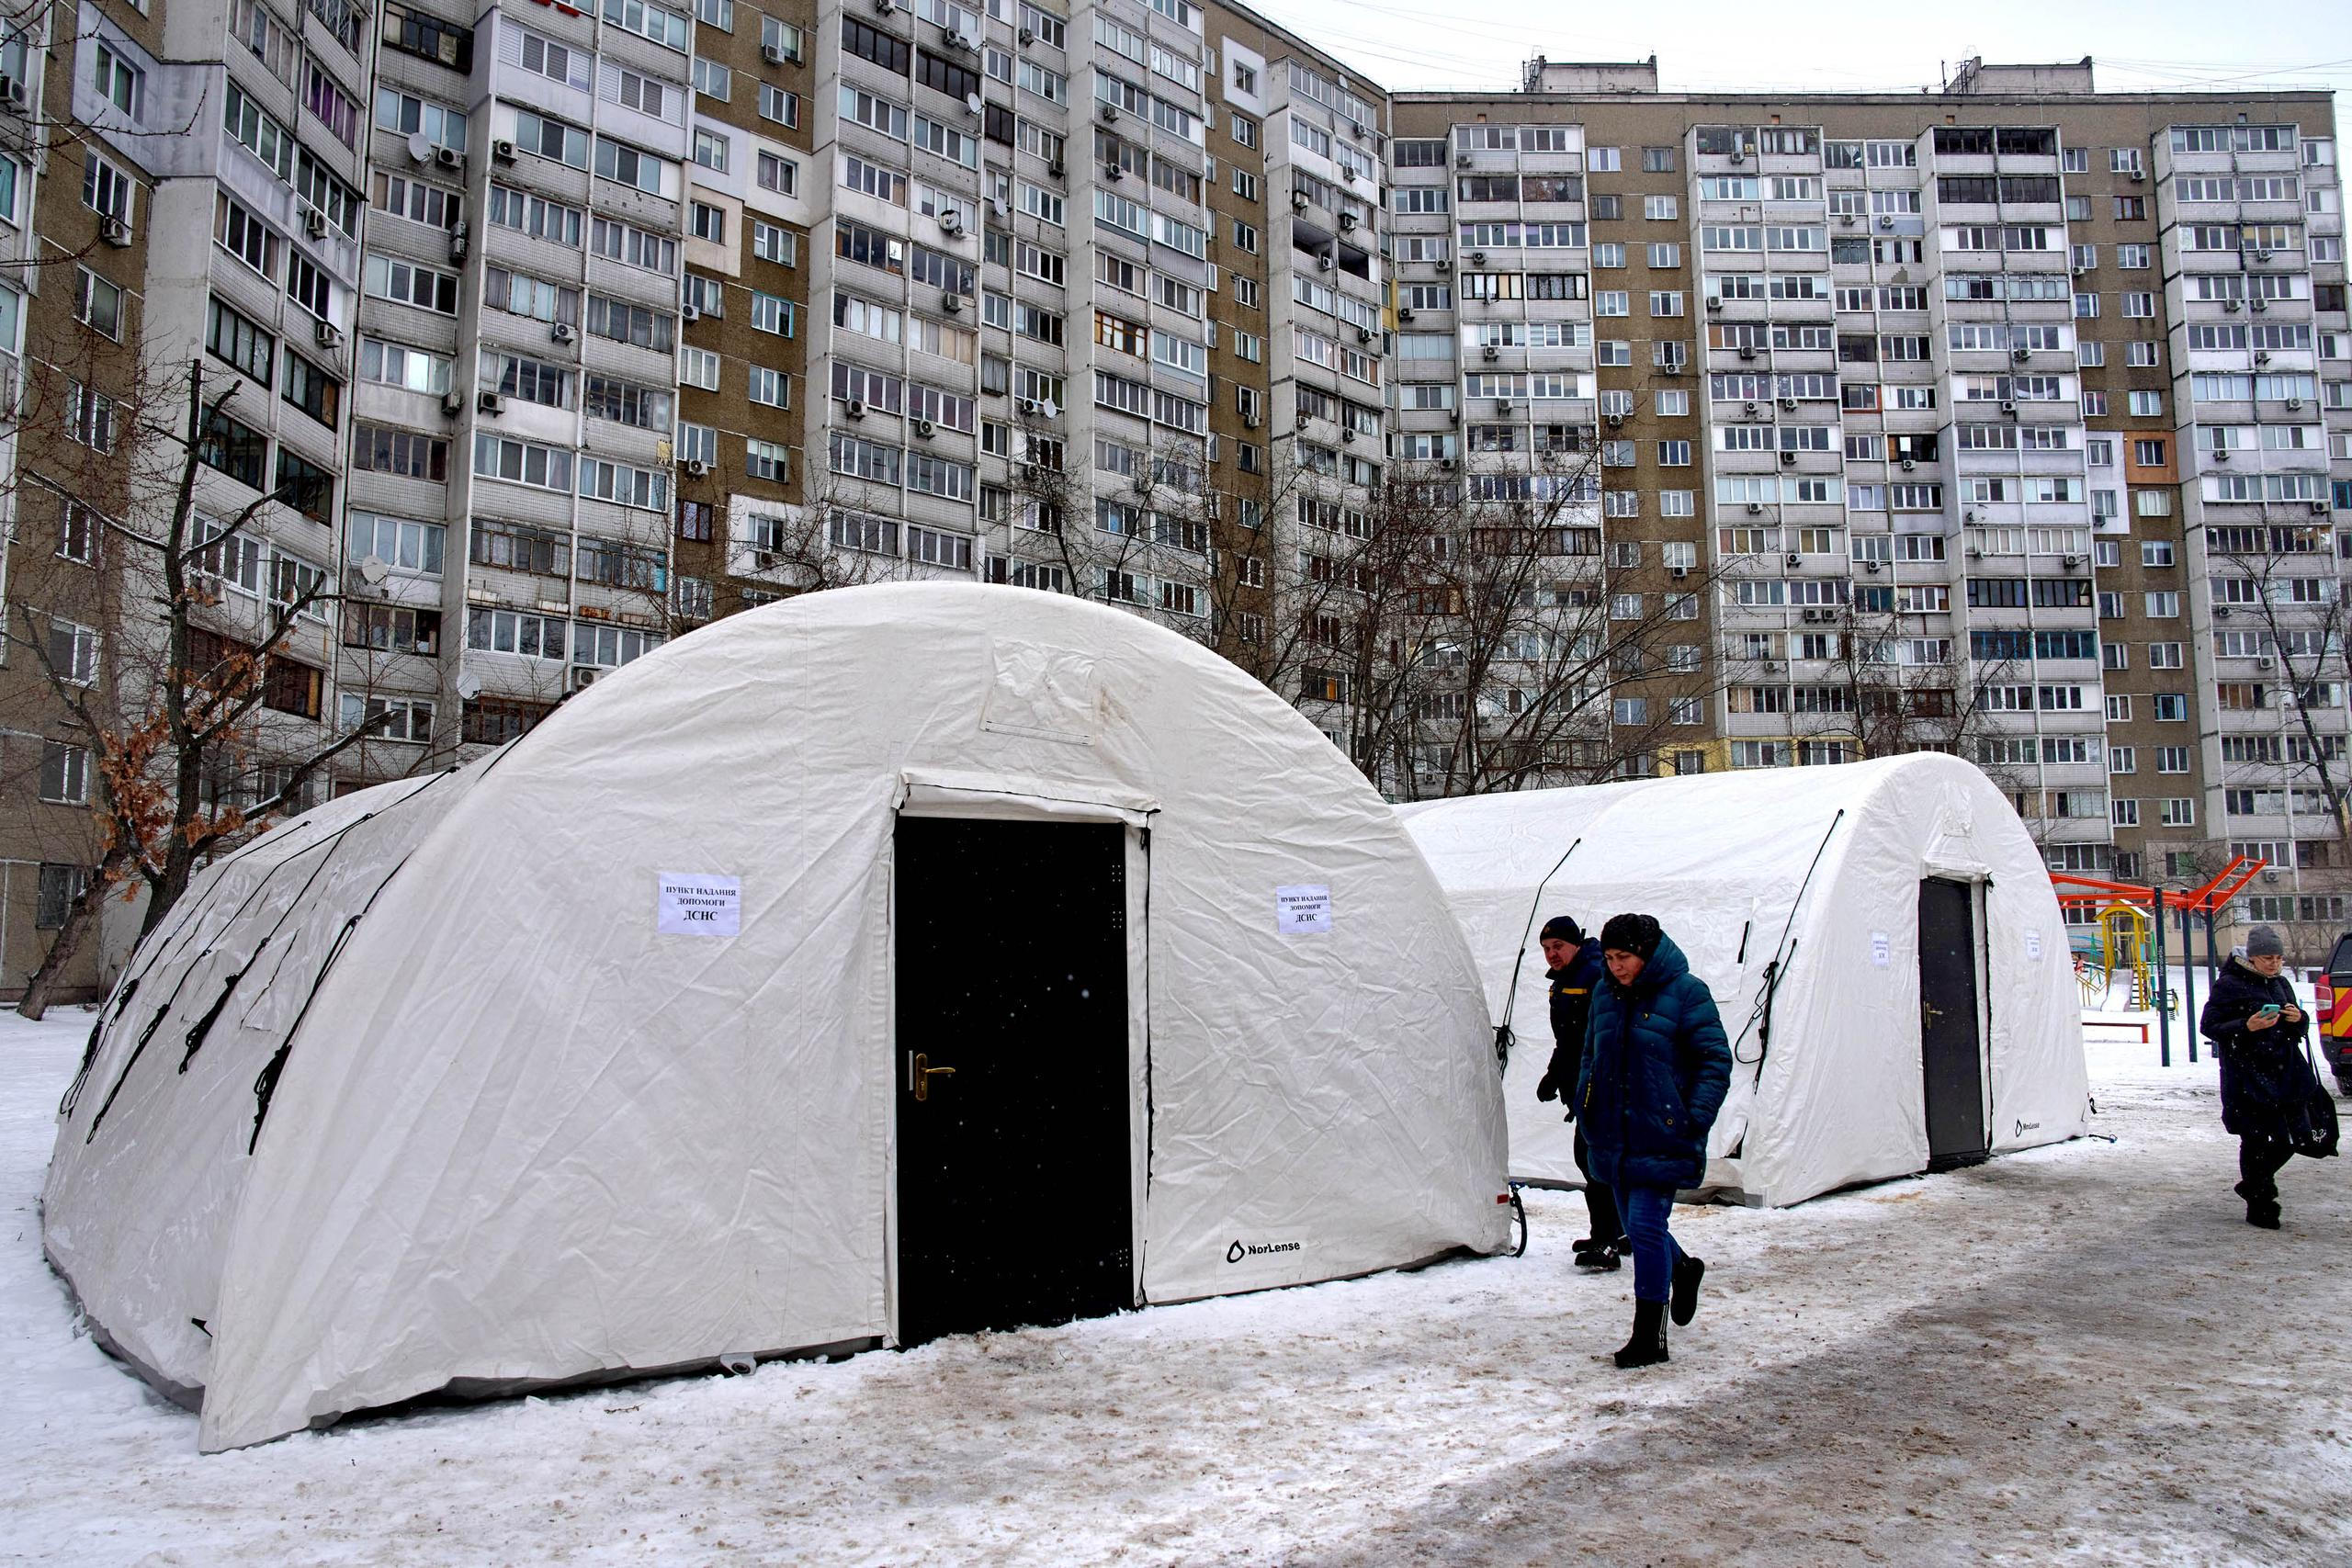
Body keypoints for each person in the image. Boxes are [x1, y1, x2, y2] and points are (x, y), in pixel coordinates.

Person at [1576, 912, 1732, 1369]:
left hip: (1661, 1132)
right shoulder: (1604, 993)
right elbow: (1590, 1054)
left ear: (1647, 953)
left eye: (1623, 957)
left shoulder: (1687, 993)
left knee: (1644, 1227)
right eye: (1609, 957)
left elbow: (1714, 1061)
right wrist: (1587, 1103)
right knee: (1637, 1226)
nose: (1616, 966)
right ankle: (1681, 1267)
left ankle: (1649, 1337)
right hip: (1612, 1133)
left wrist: (1692, 1117)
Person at [2199, 925, 2337, 1228]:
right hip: (2248, 1076)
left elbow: (2297, 1030)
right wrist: (2246, 1026)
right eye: (2267, 958)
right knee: (2257, 1139)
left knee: (2292, 1139)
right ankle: (2261, 1204)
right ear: (2252, 957)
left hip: (2287, 1074)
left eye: (2278, 958)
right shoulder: (2230, 984)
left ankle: (2252, 1185)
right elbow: (2209, 1026)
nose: (2274, 964)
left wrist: (2298, 1019)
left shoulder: (2280, 984)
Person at [1532, 915, 1623, 1269]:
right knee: (1594, 1161)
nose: (1551, 954)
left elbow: (1600, 1038)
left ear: (1576, 944)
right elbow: (1568, 1040)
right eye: (1546, 949)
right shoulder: (1563, 981)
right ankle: (1619, 1232)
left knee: (1593, 1161)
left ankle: (1607, 1240)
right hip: (1581, 1085)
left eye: (1558, 946)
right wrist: (1553, 1075)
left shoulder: (1595, 976)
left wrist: (1597, 1085)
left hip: (1601, 1086)